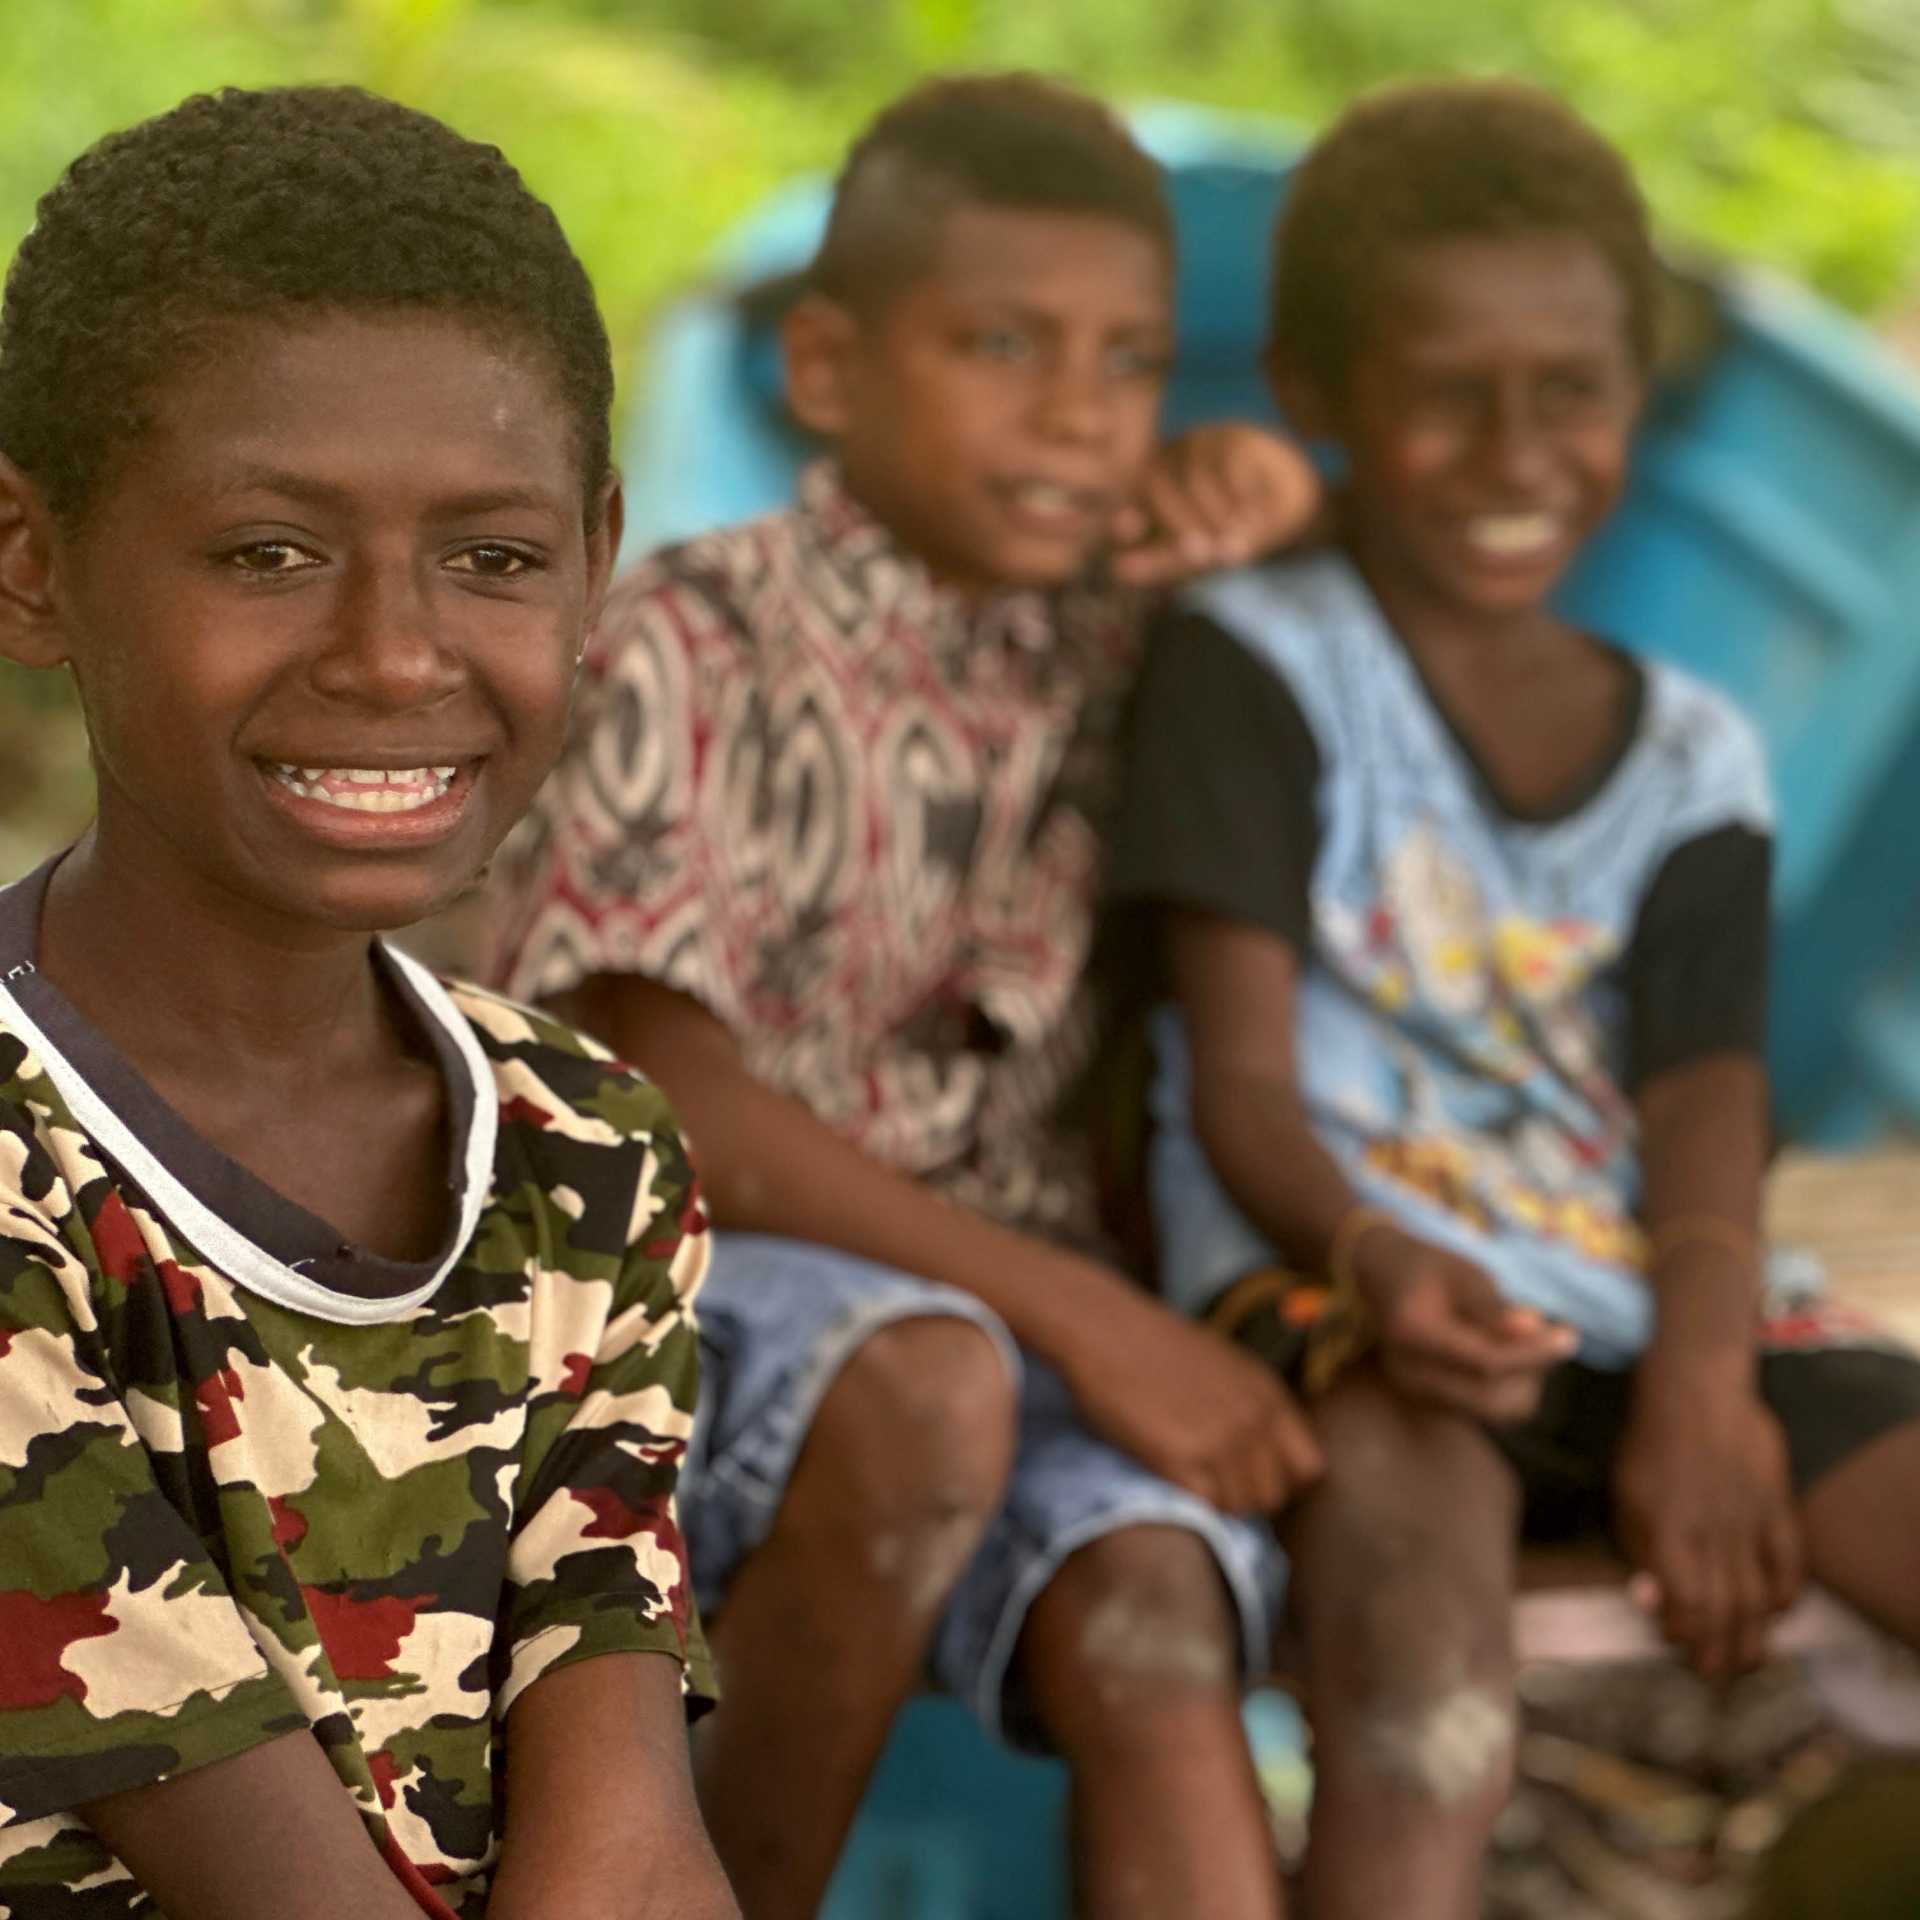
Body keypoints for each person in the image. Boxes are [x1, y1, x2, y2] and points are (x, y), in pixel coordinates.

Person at [490, 72, 1325, 1920]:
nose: (1078, 416)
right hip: (681, 1312)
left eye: (1126, 365)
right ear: (827, 371)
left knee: (1161, 1613)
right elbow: (662, 1090)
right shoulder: (694, 637)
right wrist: (1091, 1323)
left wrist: (1289, 542)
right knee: (928, 1387)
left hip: (1004, 1322)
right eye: (1002, 346)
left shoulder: (1128, 654)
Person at [1108, 77, 1920, 1920]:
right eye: (1446, 394)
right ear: (1317, 400)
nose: (1514, 452)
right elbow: (1237, 1084)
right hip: (1340, 1281)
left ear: (1637, 397)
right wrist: (1378, 1261)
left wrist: (1705, 1393)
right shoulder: (1256, 664)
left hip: (1642, 1292)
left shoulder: (1693, 753)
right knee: (1424, 1707)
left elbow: (1709, 1102)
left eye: (1573, 393)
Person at [0, 86, 734, 1920]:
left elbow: (627, 1843)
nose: (398, 655)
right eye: (270, 554)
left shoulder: (588, 1152)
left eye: (493, 557)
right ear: (33, 564)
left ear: (594, 559)